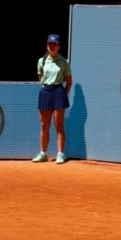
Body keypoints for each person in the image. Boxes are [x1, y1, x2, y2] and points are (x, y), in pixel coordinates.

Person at [32, 33, 72, 164]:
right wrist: (46, 88)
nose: (51, 46)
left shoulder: (64, 62)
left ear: (59, 46)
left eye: (54, 44)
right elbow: (41, 78)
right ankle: (43, 154)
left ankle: (60, 154)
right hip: (45, 91)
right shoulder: (41, 61)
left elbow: (69, 82)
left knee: (59, 125)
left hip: (59, 91)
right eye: (49, 43)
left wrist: (63, 94)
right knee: (44, 125)